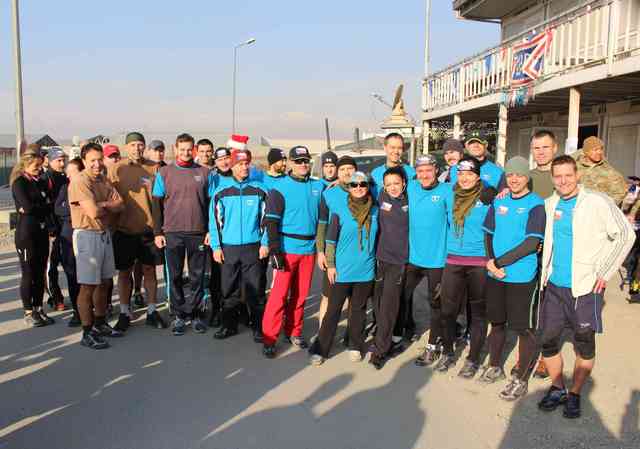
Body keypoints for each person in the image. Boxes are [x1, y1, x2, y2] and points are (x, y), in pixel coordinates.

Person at [537, 155, 634, 419]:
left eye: (568, 175)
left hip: (585, 288)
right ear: (552, 179)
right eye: (558, 176)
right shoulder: (550, 204)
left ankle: (575, 393)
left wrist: (605, 271)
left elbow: (625, 235)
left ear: (577, 175)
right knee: (548, 340)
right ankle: (558, 387)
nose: (563, 181)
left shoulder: (597, 201)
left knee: (584, 343)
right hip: (554, 286)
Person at [481, 156, 545, 401]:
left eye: (519, 174)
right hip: (496, 274)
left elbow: (531, 243)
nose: (514, 179)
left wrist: (498, 263)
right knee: (497, 322)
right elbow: (488, 233)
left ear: (527, 177)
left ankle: (521, 378)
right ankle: (495, 365)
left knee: (523, 328)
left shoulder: (535, 204)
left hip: (521, 276)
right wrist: (490, 261)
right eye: (510, 175)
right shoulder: (499, 201)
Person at [261, 145, 324, 358]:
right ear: (290, 163)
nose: (303, 164)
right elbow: (271, 222)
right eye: (298, 161)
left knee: (300, 294)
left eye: (306, 161)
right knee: (278, 296)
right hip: (287, 249)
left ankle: (294, 331)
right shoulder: (280, 188)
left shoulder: (317, 186)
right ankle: (269, 338)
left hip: (309, 249)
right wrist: (275, 250)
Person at [309, 171, 378, 365]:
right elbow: (330, 241)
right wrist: (331, 265)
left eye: (363, 184)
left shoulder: (376, 211)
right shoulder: (340, 210)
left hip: (365, 270)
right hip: (341, 270)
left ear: (368, 187)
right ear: (348, 187)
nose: (359, 188)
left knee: (358, 310)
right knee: (333, 311)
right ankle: (321, 349)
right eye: (354, 184)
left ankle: (355, 345)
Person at [437, 155, 496, 377]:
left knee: (478, 314)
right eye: (460, 174)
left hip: (479, 262)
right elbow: (423, 187)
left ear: (478, 176)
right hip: (453, 260)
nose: (464, 178)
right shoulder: (449, 193)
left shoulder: (488, 196)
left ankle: (473, 359)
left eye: (469, 174)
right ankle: (447, 352)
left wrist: (499, 192)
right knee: (447, 311)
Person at [152, 133, 212, 336]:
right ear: (175, 149)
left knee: (197, 276)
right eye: (182, 149)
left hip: (198, 233)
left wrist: (210, 230)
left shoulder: (204, 172)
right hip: (172, 233)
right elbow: (156, 205)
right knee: (175, 276)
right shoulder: (164, 172)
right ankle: (179, 315)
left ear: (194, 150)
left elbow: (211, 204)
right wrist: (158, 232)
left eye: (189, 149)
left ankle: (195, 314)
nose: (186, 153)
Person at [210, 148, 269, 341]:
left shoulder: (260, 189)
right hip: (229, 248)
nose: (244, 167)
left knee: (256, 289)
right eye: (240, 164)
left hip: (253, 247)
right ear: (232, 166)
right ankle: (229, 326)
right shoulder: (221, 191)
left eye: (246, 164)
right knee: (228, 289)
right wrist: (216, 247)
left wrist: (265, 243)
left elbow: (267, 219)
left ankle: (258, 328)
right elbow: (215, 222)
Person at [68, 143, 124, 349]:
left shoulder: (103, 179)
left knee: (104, 282)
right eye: (92, 160)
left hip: (103, 234)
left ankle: (100, 323)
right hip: (87, 235)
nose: (97, 164)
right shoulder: (80, 181)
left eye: (100, 159)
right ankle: (87, 331)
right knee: (88, 286)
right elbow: (93, 212)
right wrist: (107, 205)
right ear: (84, 161)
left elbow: (121, 204)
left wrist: (103, 204)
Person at [109, 132, 166, 332]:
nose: (136, 148)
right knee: (124, 272)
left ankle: (152, 310)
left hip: (148, 229)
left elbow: (162, 198)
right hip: (123, 229)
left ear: (145, 147)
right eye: (132, 145)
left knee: (149, 270)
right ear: (126, 147)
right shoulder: (116, 169)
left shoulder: (154, 167)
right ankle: (125, 312)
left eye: (140, 144)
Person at [407, 155, 449, 367]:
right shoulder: (410, 187)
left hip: (437, 259)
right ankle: (404, 332)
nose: (424, 175)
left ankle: (433, 344)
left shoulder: (447, 190)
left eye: (429, 170)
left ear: (436, 170)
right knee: (402, 295)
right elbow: (385, 182)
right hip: (413, 257)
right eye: (420, 171)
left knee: (435, 303)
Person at [11, 150, 56, 327]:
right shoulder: (19, 183)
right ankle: (28, 311)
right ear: (25, 165)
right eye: (36, 166)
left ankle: (38, 308)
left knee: (39, 273)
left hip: (41, 232)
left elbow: (49, 205)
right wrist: (42, 206)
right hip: (26, 234)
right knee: (28, 273)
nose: (39, 169)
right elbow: (28, 208)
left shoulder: (41, 182)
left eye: (40, 165)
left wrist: (39, 207)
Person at [370, 166, 408, 369]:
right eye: (389, 184)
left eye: (396, 183)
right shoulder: (380, 196)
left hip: (399, 262)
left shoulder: (411, 200)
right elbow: (356, 189)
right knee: (377, 303)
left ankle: (380, 350)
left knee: (388, 306)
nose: (393, 187)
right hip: (381, 259)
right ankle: (388, 337)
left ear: (404, 183)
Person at [315, 156, 358, 337]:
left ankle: (351, 334)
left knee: (354, 298)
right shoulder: (329, 194)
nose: (347, 172)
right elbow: (322, 225)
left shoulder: (364, 189)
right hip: (334, 254)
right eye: (342, 169)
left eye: (350, 168)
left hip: (358, 254)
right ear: (338, 173)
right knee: (328, 296)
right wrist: (320, 251)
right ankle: (322, 334)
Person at [55, 157, 84, 327]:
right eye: (68, 173)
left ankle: (94, 309)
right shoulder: (65, 188)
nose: (69, 176)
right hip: (68, 234)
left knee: (88, 275)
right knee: (72, 274)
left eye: (72, 172)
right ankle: (77, 311)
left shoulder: (88, 186)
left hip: (86, 232)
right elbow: (58, 209)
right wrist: (75, 208)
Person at [41, 147, 68, 311]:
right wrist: (51, 228)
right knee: (52, 266)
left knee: (69, 263)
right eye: (58, 160)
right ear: (50, 161)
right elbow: (45, 207)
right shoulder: (46, 179)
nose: (62, 163)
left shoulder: (64, 177)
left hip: (66, 226)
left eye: (63, 160)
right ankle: (55, 296)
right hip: (53, 229)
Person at [574, 136, 627, 206]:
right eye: (595, 150)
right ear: (586, 152)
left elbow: (620, 193)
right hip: (576, 207)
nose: (599, 152)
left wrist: (605, 206)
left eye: (601, 149)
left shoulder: (608, 170)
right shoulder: (574, 167)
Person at [370, 133, 416, 197]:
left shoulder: (412, 173)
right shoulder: (375, 174)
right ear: (385, 148)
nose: (396, 151)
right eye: (392, 147)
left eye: (399, 148)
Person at [529, 130, 558, 199]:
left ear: (555, 148)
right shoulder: (525, 178)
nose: (541, 152)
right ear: (531, 151)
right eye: (536, 148)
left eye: (545, 147)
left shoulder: (566, 177)